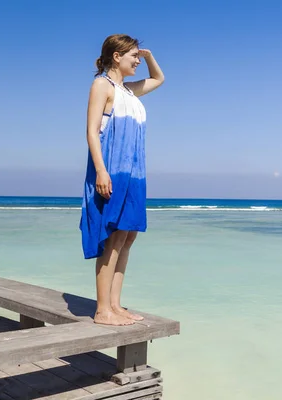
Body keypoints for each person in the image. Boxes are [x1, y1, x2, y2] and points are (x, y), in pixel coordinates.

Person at [80, 34, 164, 326]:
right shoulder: (101, 85)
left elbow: (159, 78)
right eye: (134, 56)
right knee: (113, 237)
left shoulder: (128, 91)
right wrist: (101, 171)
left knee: (128, 236)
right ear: (116, 56)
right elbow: (92, 132)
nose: (139, 61)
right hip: (112, 169)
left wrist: (149, 54)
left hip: (135, 173)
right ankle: (102, 309)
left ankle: (115, 305)